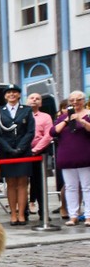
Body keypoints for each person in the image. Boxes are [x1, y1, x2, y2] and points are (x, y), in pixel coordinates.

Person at [0, 84, 35, 225]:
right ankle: (13, 214)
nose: (11, 94)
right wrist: (10, 149)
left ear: (18, 95)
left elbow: (30, 131)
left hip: (23, 152)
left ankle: (22, 214)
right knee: (10, 183)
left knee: (23, 183)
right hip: (7, 152)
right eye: (9, 92)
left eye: (14, 92)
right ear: (5, 96)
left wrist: (20, 148)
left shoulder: (26, 110)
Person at [50, 91, 90, 226]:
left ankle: (88, 215)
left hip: (85, 156)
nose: (75, 102)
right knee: (71, 187)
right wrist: (67, 119)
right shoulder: (63, 117)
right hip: (67, 157)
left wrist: (81, 121)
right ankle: (73, 215)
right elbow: (53, 132)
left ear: (84, 100)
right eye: (72, 100)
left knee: (87, 187)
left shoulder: (88, 114)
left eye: (78, 99)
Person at [28, 93, 53, 221]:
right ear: (27, 101)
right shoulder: (22, 115)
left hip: (39, 153)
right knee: (20, 183)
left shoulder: (46, 117)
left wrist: (35, 150)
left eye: (37, 98)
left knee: (39, 183)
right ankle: (22, 212)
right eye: (32, 98)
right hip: (23, 153)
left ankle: (43, 211)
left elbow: (48, 135)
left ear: (41, 103)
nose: (34, 100)